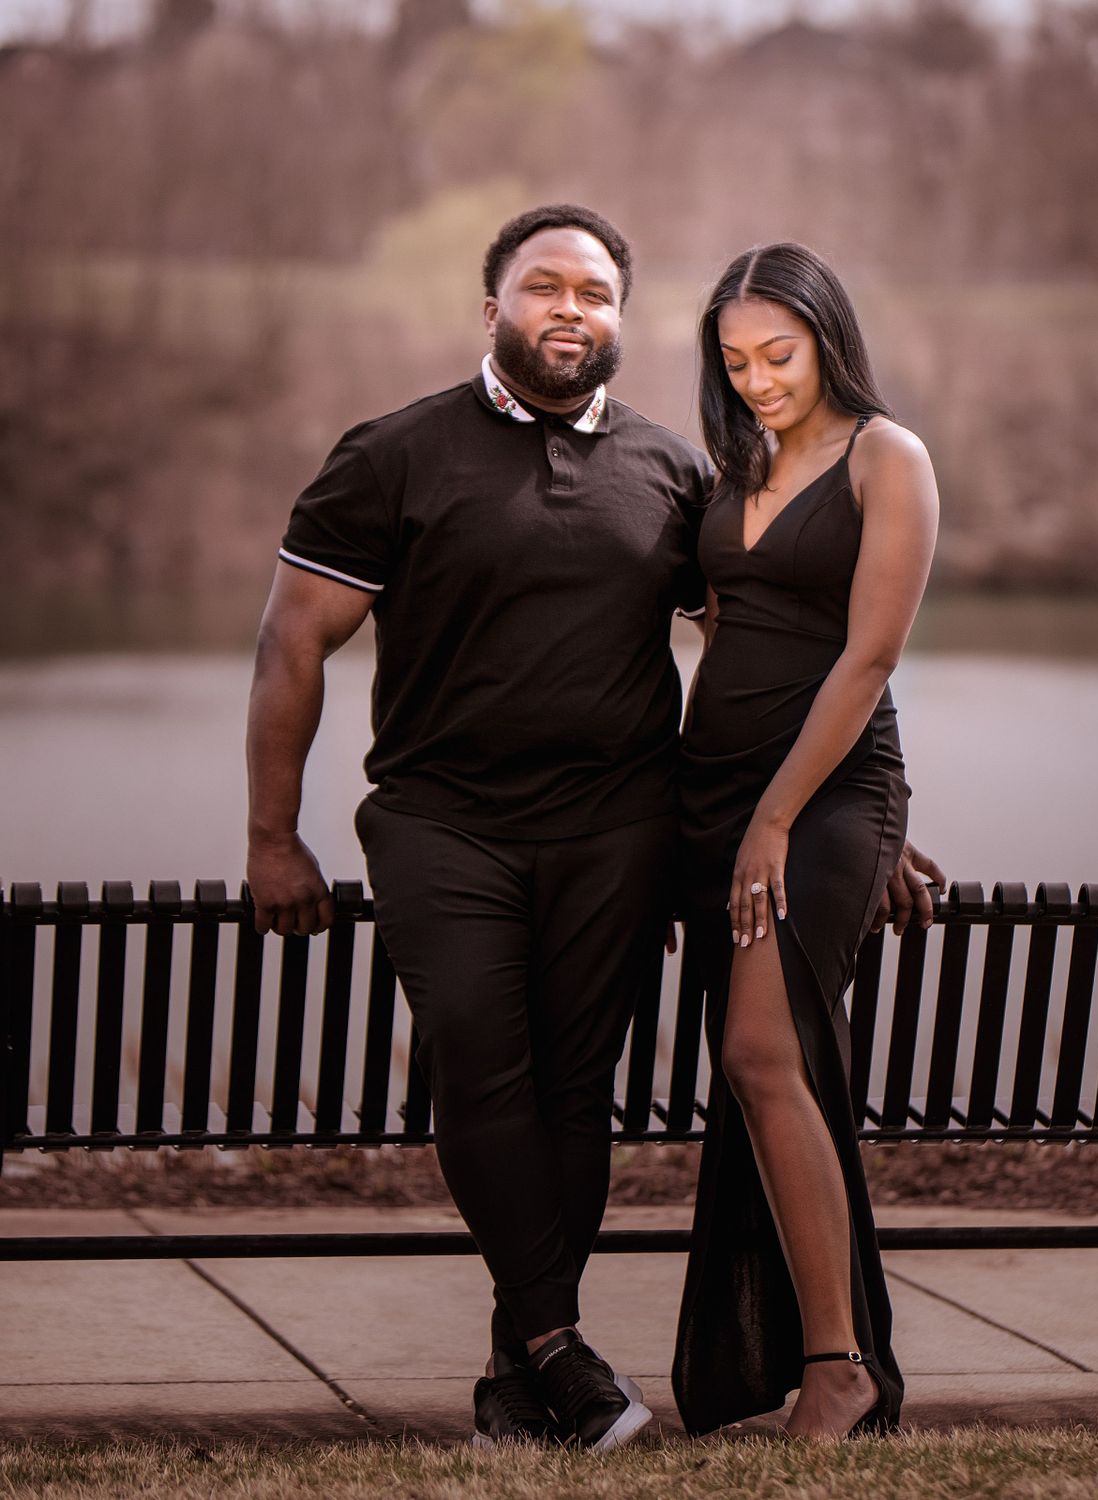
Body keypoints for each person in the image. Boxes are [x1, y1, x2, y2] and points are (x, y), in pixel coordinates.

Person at [245, 204, 940, 1451]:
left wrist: (870, 820)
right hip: (442, 822)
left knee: (577, 1090)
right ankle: (558, 1342)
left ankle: (530, 1377)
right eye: (545, 287)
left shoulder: (677, 471)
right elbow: (293, 638)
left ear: (621, 317)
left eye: (598, 292)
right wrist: (270, 834)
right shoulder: (394, 453)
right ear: (494, 306)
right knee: (475, 1050)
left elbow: (778, 636)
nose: (572, 309)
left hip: (620, 829)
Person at [672, 242, 943, 1442]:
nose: (758, 381)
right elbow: (725, 619)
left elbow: (868, 657)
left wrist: (787, 821)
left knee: (760, 1050)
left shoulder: (890, 457)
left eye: (777, 355)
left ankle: (840, 1363)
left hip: (819, 800)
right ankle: (787, 1352)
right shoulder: (738, 464)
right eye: (734, 364)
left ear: (828, 338)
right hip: (713, 793)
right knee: (758, 1067)